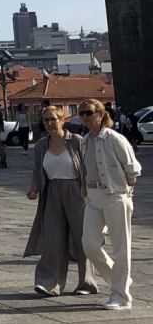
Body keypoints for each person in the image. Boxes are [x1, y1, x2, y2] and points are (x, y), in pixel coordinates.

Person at [24, 105, 95, 298]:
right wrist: (34, 188)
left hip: (76, 191)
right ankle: (48, 283)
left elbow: (88, 167)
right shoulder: (40, 145)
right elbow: (37, 169)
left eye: (53, 119)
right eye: (45, 120)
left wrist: (92, 192)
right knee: (52, 239)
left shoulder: (77, 141)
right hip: (52, 192)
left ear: (62, 120)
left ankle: (86, 282)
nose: (49, 123)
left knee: (82, 238)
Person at [78, 100, 142, 311]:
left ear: (100, 114)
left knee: (120, 247)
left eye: (89, 112)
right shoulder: (85, 141)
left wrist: (126, 190)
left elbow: (132, 167)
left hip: (115, 195)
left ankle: (121, 296)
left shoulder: (115, 138)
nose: (85, 117)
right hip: (93, 197)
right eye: (82, 113)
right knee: (89, 244)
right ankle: (119, 278)